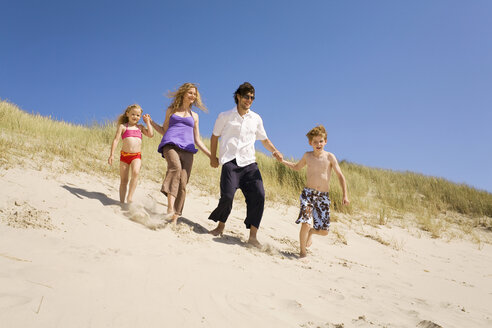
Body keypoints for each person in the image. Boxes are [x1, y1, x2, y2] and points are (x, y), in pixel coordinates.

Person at [208, 82, 283, 247]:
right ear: (238, 96)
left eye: (252, 97)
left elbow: (264, 139)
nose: (249, 100)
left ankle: (253, 236)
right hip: (230, 162)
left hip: (249, 164)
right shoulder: (225, 116)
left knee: (259, 195)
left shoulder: (256, 118)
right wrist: (213, 157)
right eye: (247, 96)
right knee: (227, 196)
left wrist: (274, 151)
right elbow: (214, 137)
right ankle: (220, 226)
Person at [281, 124, 349, 258]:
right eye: (315, 142)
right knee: (306, 222)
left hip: (323, 196)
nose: (318, 144)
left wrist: (345, 195)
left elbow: (340, 176)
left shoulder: (330, 157)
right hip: (308, 194)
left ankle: (312, 233)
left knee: (324, 231)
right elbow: (296, 167)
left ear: (325, 141)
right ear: (310, 143)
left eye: (321, 141)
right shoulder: (307, 156)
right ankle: (302, 252)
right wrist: (282, 161)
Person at [149, 83, 211, 224]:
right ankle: (170, 208)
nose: (193, 96)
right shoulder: (171, 110)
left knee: (183, 182)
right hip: (170, 144)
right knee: (175, 169)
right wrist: (151, 122)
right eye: (190, 93)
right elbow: (164, 130)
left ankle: (174, 218)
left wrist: (211, 156)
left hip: (188, 150)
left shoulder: (194, 116)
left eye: (195, 94)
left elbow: (197, 139)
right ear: (183, 93)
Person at [108, 104, 154, 203]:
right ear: (127, 114)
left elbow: (150, 135)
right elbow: (116, 140)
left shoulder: (140, 127)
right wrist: (112, 155)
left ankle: (130, 197)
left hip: (136, 156)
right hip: (124, 156)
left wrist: (148, 123)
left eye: (138, 115)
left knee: (136, 172)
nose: (135, 117)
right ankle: (121, 202)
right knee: (124, 180)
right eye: (133, 114)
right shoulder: (123, 127)